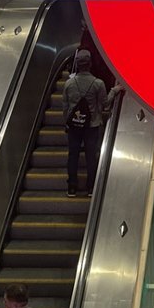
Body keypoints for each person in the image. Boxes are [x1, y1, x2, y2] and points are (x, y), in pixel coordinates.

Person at [63, 48, 107, 197]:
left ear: (77, 64)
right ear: (90, 64)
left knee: (73, 155)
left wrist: (67, 123)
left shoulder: (69, 84)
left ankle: (72, 187)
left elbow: (66, 106)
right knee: (90, 155)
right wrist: (114, 91)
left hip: (74, 126)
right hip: (92, 126)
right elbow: (105, 104)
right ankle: (90, 187)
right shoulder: (98, 83)